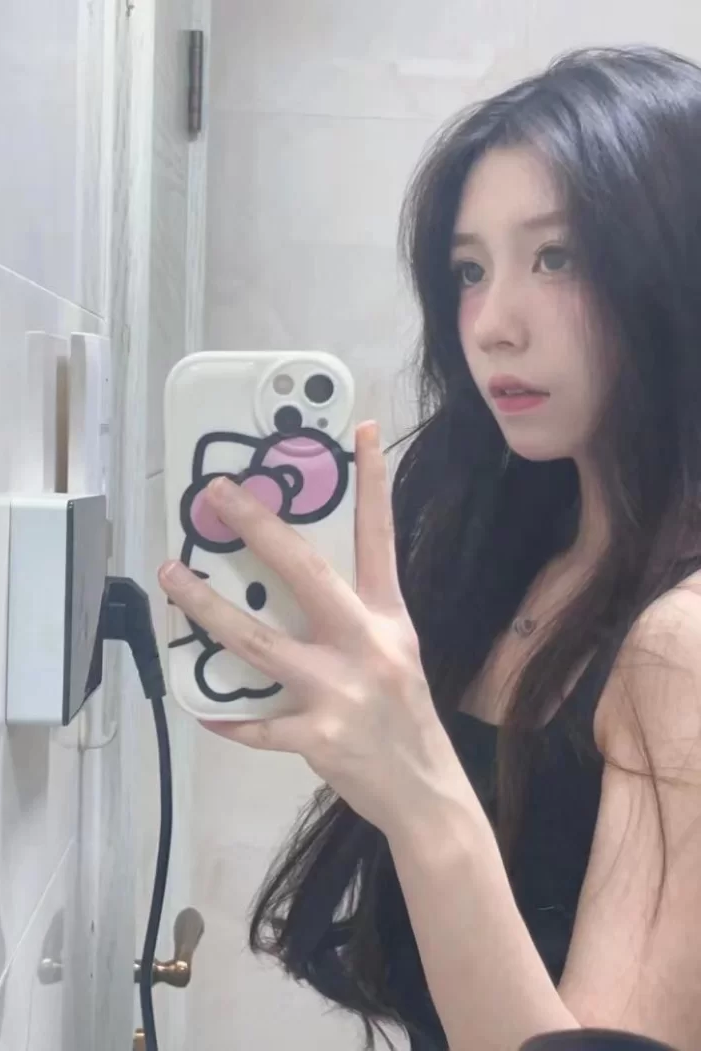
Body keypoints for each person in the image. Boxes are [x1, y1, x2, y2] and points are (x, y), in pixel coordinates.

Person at [159, 46, 701, 1051]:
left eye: (556, 257)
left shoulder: (680, 643)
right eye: (468, 270)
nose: (490, 324)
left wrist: (414, 784)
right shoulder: (522, 564)